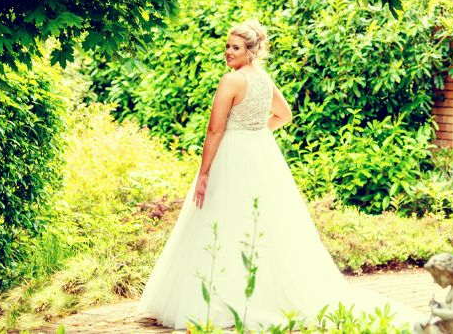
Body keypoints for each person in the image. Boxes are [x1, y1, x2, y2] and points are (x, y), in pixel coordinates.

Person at [139, 20, 422, 330]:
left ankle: (220, 300)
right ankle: (257, 296)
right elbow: (284, 115)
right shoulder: (263, 79)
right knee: (263, 224)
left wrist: (204, 173)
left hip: (232, 158)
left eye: (235, 47)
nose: (227, 52)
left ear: (249, 51)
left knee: (224, 220)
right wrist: (255, 133)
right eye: (227, 46)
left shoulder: (231, 81)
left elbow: (215, 129)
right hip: (261, 155)